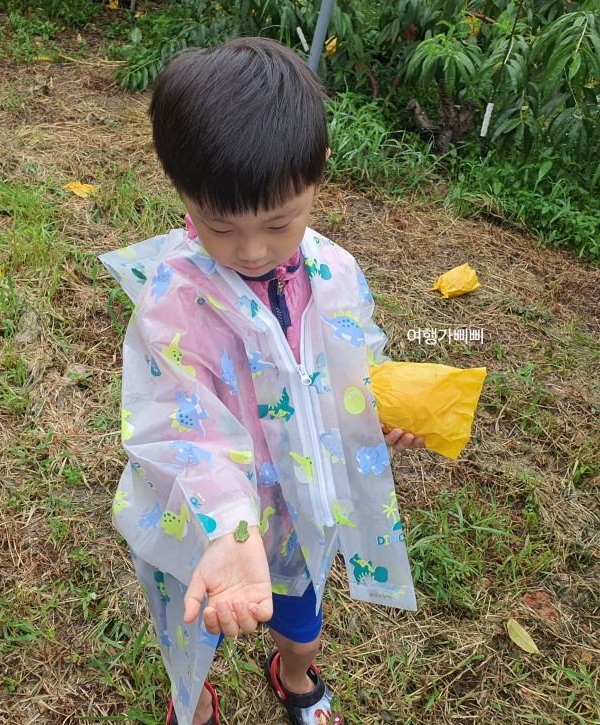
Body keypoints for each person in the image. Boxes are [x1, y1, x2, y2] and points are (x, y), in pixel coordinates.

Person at [100, 37, 423, 725]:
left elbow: (349, 357)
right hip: (210, 520)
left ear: (318, 176)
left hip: (298, 500)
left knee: (301, 619)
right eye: (221, 226)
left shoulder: (333, 270)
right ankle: (192, 694)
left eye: (279, 221)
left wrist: (372, 409)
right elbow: (179, 417)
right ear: (184, 193)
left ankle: (296, 672)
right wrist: (229, 525)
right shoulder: (176, 300)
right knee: (197, 620)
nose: (251, 249)